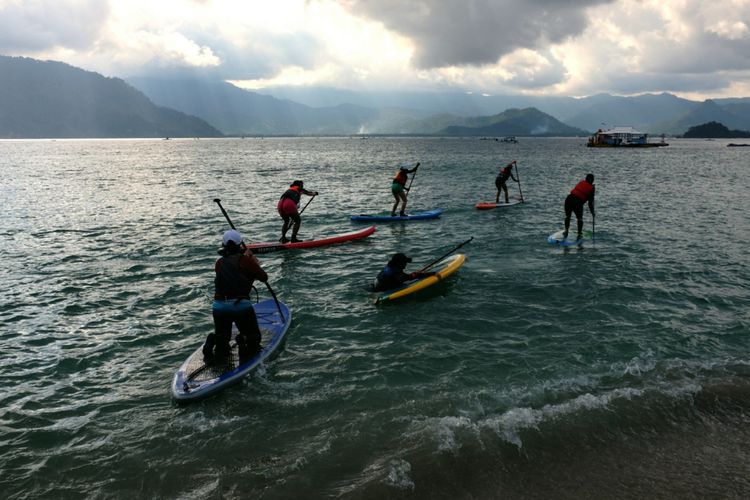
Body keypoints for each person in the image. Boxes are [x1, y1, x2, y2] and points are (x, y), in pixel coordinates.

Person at [203, 229, 268, 363]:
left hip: (219, 306)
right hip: (240, 306)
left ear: (223, 244)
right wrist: (253, 261)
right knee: (254, 338)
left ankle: (214, 340)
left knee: (223, 339)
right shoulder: (246, 261)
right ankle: (243, 340)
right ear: (240, 244)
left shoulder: (219, 262)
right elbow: (263, 277)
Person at [563, 173, 596, 240]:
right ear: (592, 180)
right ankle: (579, 234)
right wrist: (592, 212)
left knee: (568, 216)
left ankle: (566, 231)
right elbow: (590, 203)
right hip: (577, 202)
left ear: (586, 179)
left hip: (569, 199)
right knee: (580, 219)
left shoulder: (581, 182)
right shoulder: (592, 188)